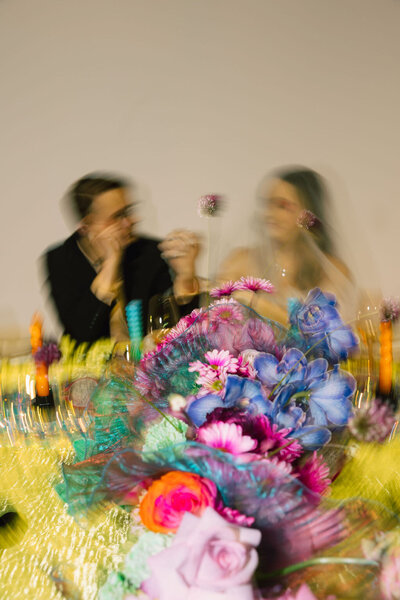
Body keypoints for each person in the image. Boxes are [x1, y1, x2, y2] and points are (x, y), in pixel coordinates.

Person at [44, 173, 200, 343]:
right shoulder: (61, 260)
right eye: (118, 216)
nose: (130, 221)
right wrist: (111, 264)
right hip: (88, 367)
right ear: (86, 226)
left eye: (129, 211)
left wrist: (185, 276)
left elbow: (181, 330)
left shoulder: (148, 252)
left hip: (147, 364)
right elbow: (81, 333)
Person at [219, 167, 356, 324]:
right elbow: (213, 317)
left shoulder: (332, 271)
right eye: (268, 205)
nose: (270, 214)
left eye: (282, 206)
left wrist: (257, 304)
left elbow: (323, 334)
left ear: (308, 213)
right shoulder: (241, 261)